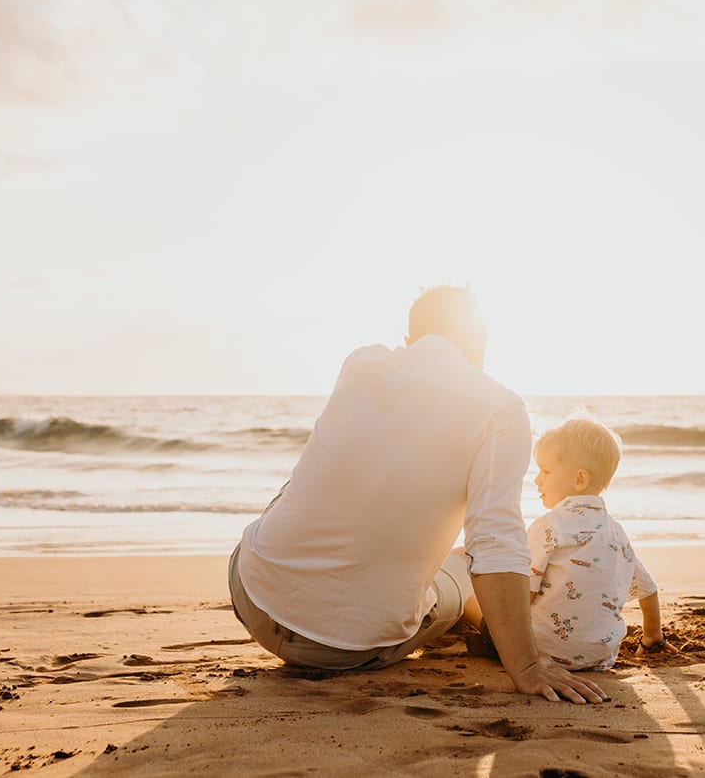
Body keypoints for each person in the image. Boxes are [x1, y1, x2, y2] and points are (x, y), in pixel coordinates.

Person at [227, 286, 607, 704]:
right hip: (347, 650)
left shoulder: (360, 363)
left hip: (252, 595)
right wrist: (528, 667)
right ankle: (480, 621)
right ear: (479, 340)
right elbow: (495, 543)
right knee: (461, 576)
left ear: (409, 339)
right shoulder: (501, 408)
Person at [469, 414, 673, 670]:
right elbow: (648, 589)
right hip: (601, 657)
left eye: (545, 471)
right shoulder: (616, 531)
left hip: (540, 651)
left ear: (579, 479)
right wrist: (652, 636)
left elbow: (524, 591)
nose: (536, 479)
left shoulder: (550, 525)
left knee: (471, 597)